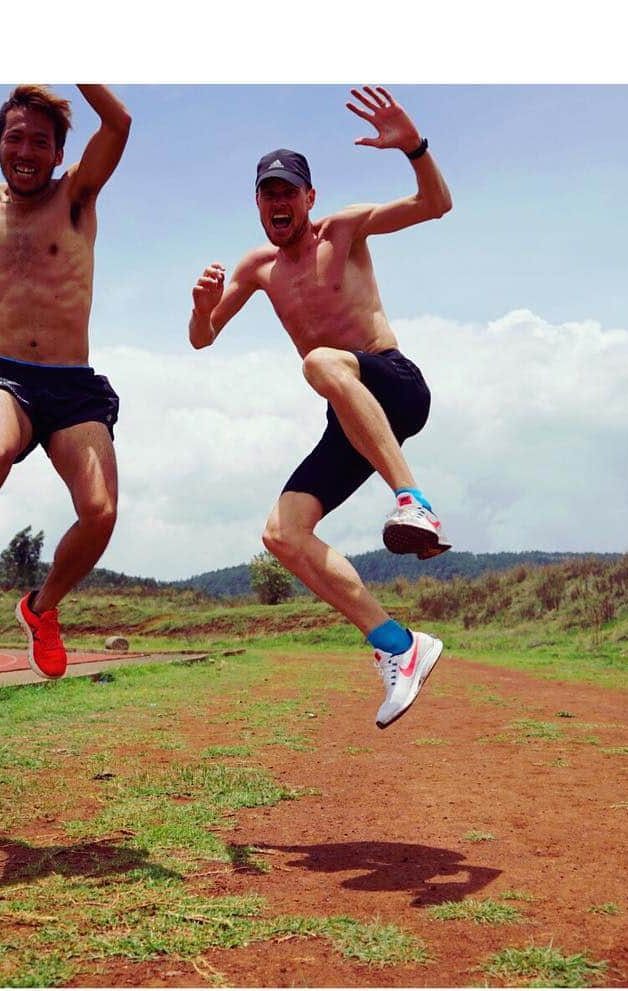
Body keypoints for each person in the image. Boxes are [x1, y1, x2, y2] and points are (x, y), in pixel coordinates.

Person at [189, 86, 452, 729]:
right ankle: (399, 645)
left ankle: (414, 501)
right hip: (350, 410)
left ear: (310, 197)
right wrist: (202, 307)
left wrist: (413, 147)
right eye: (268, 194)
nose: (280, 203)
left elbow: (435, 205)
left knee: (319, 362)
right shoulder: (257, 268)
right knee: (283, 533)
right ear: (258, 204)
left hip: (393, 382)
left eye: (290, 192)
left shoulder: (345, 227)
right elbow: (203, 338)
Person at [0, 84, 132, 679]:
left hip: (72, 383)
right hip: (9, 374)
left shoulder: (77, 197)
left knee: (101, 512)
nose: (27, 149)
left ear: (61, 154)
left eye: (42, 140)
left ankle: (40, 609)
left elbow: (119, 123)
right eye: (16, 137)